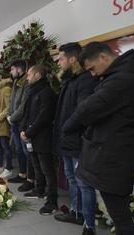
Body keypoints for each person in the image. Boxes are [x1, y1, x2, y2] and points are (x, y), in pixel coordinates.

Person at [63, 42, 134, 235]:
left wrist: (67, 127)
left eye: (92, 69)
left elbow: (86, 110)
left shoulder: (121, 80)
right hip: (115, 151)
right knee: (119, 213)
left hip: (114, 154)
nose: (93, 74)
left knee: (120, 216)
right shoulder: (121, 75)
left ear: (103, 57)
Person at [52, 42, 98, 233]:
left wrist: (66, 127)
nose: (59, 62)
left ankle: (89, 224)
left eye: (61, 58)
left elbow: (83, 111)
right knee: (71, 179)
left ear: (72, 59)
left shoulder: (85, 79)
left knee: (83, 184)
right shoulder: (70, 80)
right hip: (67, 139)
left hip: (78, 140)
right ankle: (76, 212)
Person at [20, 65, 57, 215]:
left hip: (42, 137)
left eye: (29, 74)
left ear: (38, 76)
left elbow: (44, 117)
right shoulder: (32, 91)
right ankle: (39, 189)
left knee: (47, 170)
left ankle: (52, 201)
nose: (27, 77)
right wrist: (23, 129)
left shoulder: (47, 92)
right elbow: (26, 112)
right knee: (36, 165)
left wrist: (28, 132)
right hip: (31, 136)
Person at [6, 60, 32, 185]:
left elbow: (23, 105)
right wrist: (8, 115)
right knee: (19, 149)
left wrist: (12, 117)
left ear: (19, 69)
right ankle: (22, 173)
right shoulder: (16, 82)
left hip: (22, 122)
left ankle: (30, 178)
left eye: (12, 69)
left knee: (26, 151)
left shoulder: (26, 83)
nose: (11, 72)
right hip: (14, 121)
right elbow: (12, 102)